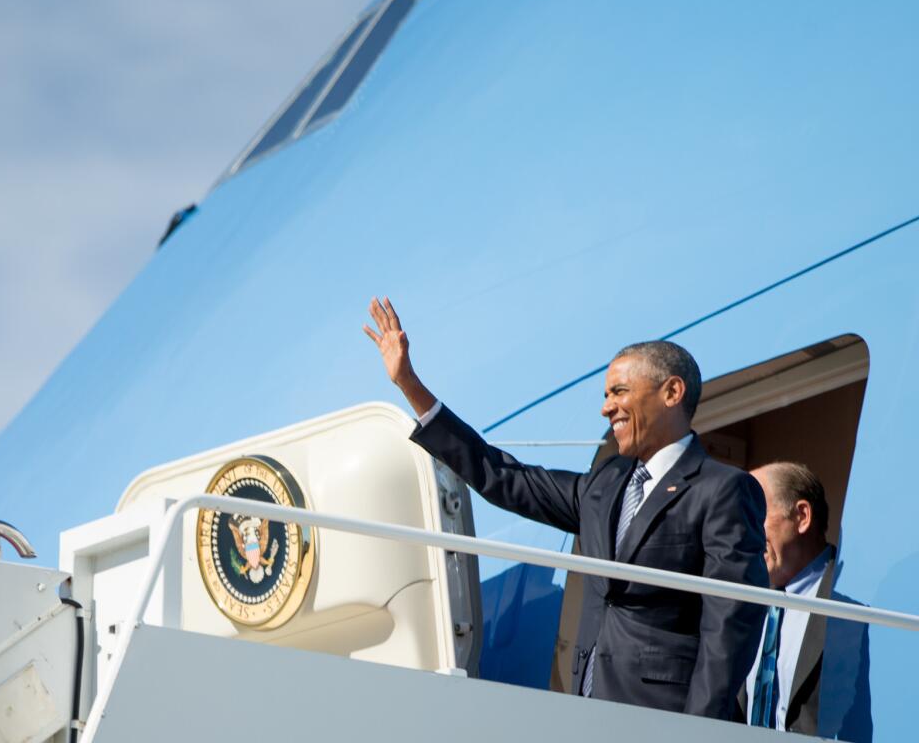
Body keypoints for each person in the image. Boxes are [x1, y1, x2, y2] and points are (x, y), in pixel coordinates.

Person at [363, 296, 769, 719]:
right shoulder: (606, 483)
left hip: (669, 715)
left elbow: (732, 621)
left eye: (619, 391)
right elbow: (505, 477)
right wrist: (411, 385)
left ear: (671, 391)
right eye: (606, 394)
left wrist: (700, 728)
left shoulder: (722, 489)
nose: (606, 406)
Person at [740, 462, 872, 739]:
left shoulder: (854, 603)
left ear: (802, 516)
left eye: (755, 515)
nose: (744, 532)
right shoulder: (741, 603)